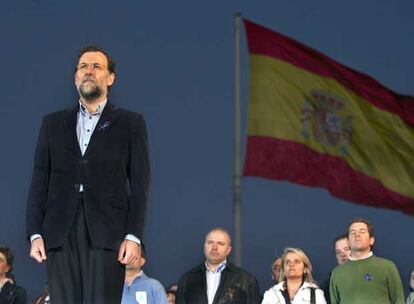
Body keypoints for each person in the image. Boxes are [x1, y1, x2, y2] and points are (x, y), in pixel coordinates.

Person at [26, 45, 150, 304]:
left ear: (111, 77)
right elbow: (39, 180)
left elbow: (140, 185)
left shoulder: (130, 123)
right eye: (83, 67)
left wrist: (133, 235)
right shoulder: (52, 123)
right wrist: (35, 232)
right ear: (75, 78)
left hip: (108, 232)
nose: (89, 71)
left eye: (96, 66)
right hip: (60, 231)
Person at [176, 227, 261, 304]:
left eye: (220, 243)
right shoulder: (187, 279)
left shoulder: (247, 280)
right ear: (204, 247)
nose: (214, 247)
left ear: (228, 250)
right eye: (210, 243)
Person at [330, 218, 404, 304]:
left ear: (371, 240)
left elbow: (398, 300)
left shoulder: (387, 267)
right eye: (352, 232)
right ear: (348, 241)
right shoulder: (337, 273)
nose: (357, 235)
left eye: (362, 231)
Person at [262, 247, 326, 304]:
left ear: (305, 269)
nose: (291, 264)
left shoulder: (316, 294)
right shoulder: (271, 294)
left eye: (297, 261)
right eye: (288, 262)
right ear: (283, 269)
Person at [320, 234, 350, 304]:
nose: (343, 254)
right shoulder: (327, 286)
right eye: (338, 252)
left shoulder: (368, 276)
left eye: (347, 249)